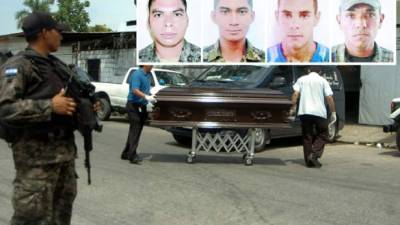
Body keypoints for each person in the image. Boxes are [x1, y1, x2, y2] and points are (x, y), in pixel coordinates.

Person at [0, 12, 99, 225]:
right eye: (58, 31)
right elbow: (5, 109)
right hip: (36, 164)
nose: (61, 36)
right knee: (31, 220)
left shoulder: (57, 66)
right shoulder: (19, 65)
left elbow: (71, 98)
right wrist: (49, 106)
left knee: (60, 218)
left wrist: (86, 106)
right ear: (44, 33)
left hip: (64, 158)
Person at [290, 67, 336, 168]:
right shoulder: (323, 81)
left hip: (304, 112)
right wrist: (333, 112)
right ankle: (314, 154)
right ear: (320, 72)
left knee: (307, 136)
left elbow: (295, 94)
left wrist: (293, 108)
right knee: (324, 133)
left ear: (309, 71)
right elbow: (329, 97)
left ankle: (308, 161)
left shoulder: (301, 79)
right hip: (319, 112)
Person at [121, 65, 156, 164]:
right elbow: (135, 90)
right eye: (150, 63)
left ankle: (126, 153)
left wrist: (150, 96)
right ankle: (132, 155)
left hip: (142, 106)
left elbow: (144, 90)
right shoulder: (137, 74)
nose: (152, 65)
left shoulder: (148, 75)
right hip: (133, 105)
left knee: (135, 130)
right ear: (144, 64)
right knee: (135, 129)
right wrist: (146, 96)